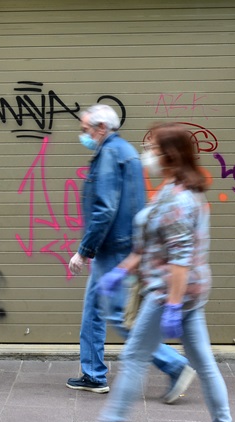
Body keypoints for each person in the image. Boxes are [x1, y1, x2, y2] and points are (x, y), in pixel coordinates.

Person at [59, 124, 235, 422]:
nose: (147, 154)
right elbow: (148, 248)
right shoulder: (174, 189)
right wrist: (120, 272)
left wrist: (171, 305)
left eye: (152, 148)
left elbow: (180, 261)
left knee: (133, 358)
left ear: (169, 155)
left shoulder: (180, 200)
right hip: (185, 294)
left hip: (170, 294)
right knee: (203, 364)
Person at [66, 105, 195, 402]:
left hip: (113, 247)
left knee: (118, 316)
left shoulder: (110, 154)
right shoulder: (123, 150)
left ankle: (174, 366)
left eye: (85, 130)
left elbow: (105, 209)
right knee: (93, 311)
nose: (83, 135)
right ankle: (93, 374)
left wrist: (84, 250)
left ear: (100, 128)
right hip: (122, 243)